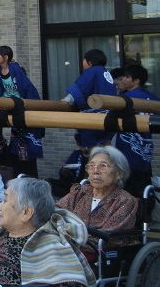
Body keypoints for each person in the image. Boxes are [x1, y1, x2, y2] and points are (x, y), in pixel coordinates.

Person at [57, 145, 139, 263]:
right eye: (92, 166)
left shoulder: (125, 201)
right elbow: (56, 210)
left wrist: (69, 234)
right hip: (67, 247)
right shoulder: (79, 192)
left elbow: (110, 237)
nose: (95, 171)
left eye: (103, 166)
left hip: (97, 254)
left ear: (119, 173)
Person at [0, 45, 44, 178]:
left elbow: (26, 86)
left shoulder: (15, 69)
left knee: (19, 119)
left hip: (18, 101)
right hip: (5, 100)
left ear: (6, 57)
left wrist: (32, 102)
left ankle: (21, 142)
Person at [62, 48, 117, 150]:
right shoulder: (106, 73)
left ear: (90, 62)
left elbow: (81, 88)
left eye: (84, 60)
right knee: (107, 145)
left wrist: (67, 100)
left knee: (93, 148)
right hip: (110, 116)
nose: (82, 62)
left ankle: (95, 162)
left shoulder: (92, 71)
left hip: (95, 116)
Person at [115, 64, 156, 197]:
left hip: (127, 150)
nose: (124, 80)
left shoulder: (125, 99)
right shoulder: (152, 98)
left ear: (136, 80)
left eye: (127, 77)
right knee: (144, 187)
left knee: (129, 190)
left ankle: (134, 215)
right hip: (146, 147)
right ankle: (145, 213)